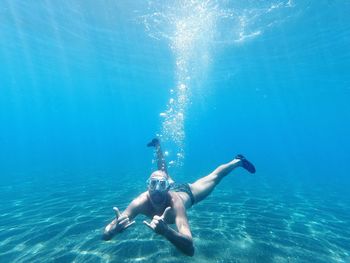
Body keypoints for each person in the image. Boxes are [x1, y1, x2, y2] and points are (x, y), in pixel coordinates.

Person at [102, 138, 256, 256]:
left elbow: (190, 249)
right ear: (147, 186)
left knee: (215, 178)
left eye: (161, 185)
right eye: (153, 184)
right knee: (162, 170)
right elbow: (106, 233)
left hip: (187, 192)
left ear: (167, 187)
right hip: (172, 187)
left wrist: (167, 232)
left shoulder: (175, 204)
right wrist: (112, 230)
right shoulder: (140, 202)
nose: (156, 190)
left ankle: (238, 161)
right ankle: (158, 145)